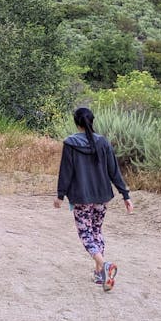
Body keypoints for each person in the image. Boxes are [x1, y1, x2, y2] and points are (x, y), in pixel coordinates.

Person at [54, 106, 134, 291]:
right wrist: (125, 195)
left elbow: (66, 172)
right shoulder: (103, 142)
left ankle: (104, 265)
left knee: (85, 233)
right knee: (97, 230)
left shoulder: (71, 143)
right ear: (92, 121)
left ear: (76, 122)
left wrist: (60, 195)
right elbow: (114, 171)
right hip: (102, 195)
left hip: (82, 196)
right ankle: (100, 274)